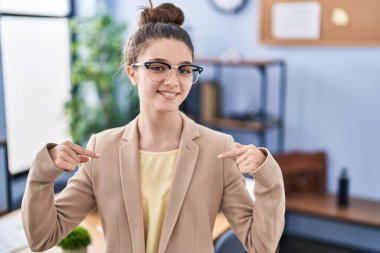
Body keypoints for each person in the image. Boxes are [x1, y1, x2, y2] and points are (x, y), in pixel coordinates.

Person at [22, 1, 285, 253]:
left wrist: (266, 173)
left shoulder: (218, 149)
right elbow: (42, 237)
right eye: (158, 67)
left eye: (184, 70)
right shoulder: (102, 149)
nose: (173, 81)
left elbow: (261, 245)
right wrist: (44, 171)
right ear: (132, 73)